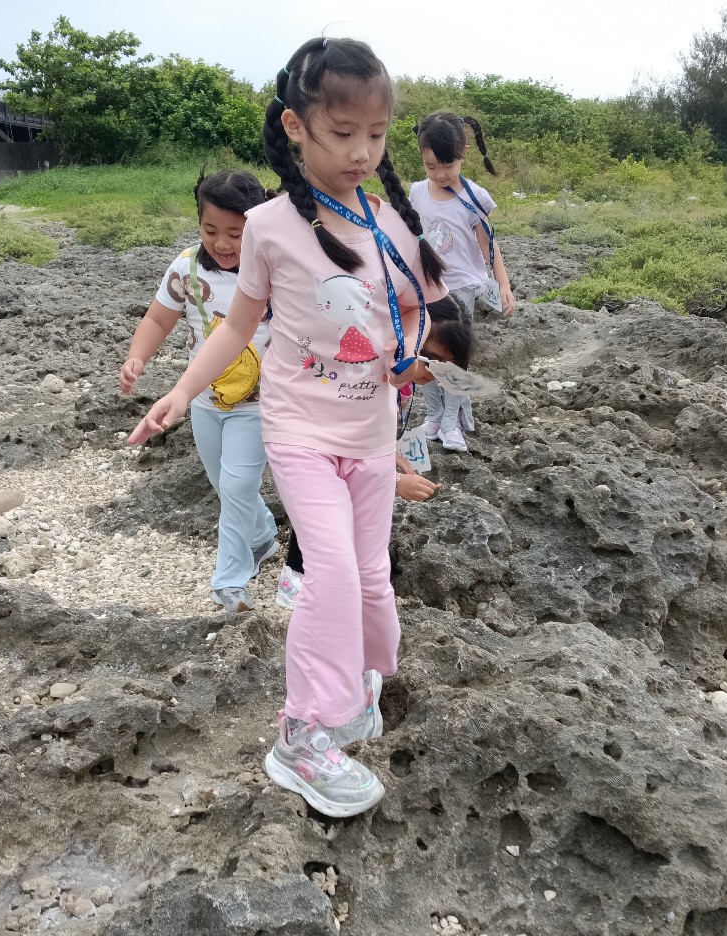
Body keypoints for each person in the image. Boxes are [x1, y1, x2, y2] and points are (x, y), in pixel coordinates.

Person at [128, 37, 447, 818]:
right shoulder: (269, 226)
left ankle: (361, 688)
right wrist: (181, 391)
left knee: (370, 576)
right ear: (297, 126)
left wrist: (411, 356)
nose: (362, 152)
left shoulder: (392, 224)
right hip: (299, 431)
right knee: (329, 572)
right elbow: (239, 326)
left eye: (377, 135)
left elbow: (417, 311)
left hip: (372, 435)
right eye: (343, 133)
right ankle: (301, 737)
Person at [120, 171, 280, 613]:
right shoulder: (187, 267)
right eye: (210, 230)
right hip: (203, 400)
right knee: (222, 483)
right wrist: (137, 357)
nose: (222, 243)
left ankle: (230, 579)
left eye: (235, 233)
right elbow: (158, 319)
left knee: (238, 483)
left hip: (260, 404)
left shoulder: (272, 270)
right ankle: (262, 535)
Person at [277, 294, 473, 609]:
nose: (434, 373)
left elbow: (372, 429)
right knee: (323, 520)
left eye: (446, 368)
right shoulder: (361, 376)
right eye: (431, 359)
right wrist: (394, 481)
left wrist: (389, 450)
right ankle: (302, 588)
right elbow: (344, 445)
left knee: (356, 520)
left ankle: (361, 575)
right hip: (321, 457)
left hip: (357, 456)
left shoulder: (402, 380)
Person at [409, 112, 515, 452]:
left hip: (462, 288)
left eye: (448, 166)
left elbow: (489, 244)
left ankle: (452, 422)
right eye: (431, 167)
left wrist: (503, 284)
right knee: (424, 351)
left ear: (464, 154)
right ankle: (434, 415)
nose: (440, 174)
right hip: (425, 288)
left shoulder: (475, 196)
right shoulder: (416, 193)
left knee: (454, 356)